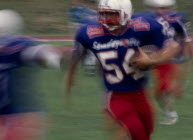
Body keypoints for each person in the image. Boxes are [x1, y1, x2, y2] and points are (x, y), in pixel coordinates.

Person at [65, 0, 180, 139]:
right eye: (104, 14)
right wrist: (70, 77)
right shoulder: (89, 32)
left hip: (140, 93)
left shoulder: (145, 26)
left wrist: (153, 60)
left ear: (126, 14)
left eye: (112, 15)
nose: (107, 19)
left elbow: (174, 47)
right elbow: (76, 54)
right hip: (115, 95)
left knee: (147, 131)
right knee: (136, 131)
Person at [0, 9, 62, 140]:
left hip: (19, 116)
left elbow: (38, 52)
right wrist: (52, 58)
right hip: (25, 116)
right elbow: (41, 52)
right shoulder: (18, 44)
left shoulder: (15, 45)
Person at [140, 0, 193, 125]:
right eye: (158, 8)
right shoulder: (146, 19)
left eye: (163, 7)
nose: (160, 10)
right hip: (152, 57)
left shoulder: (174, 20)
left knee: (161, 89)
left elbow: (185, 38)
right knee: (156, 91)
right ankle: (169, 106)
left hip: (167, 57)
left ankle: (171, 110)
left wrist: (188, 55)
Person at [67, 0, 98, 75]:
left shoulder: (88, 11)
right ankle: (88, 66)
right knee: (85, 49)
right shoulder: (83, 10)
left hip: (87, 31)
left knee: (86, 49)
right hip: (84, 30)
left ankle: (89, 66)